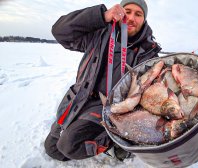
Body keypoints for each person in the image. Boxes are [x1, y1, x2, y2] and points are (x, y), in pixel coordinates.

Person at [44, 0, 161, 162]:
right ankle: (82, 129)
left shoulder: (149, 52)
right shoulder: (99, 34)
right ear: (119, 12)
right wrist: (101, 16)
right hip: (80, 99)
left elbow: (152, 90)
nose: (132, 17)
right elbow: (60, 31)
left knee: (69, 145)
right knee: (52, 149)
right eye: (127, 11)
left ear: (144, 19)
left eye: (138, 14)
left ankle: (117, 139)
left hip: (109, 107)